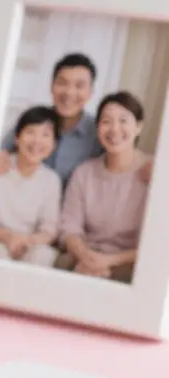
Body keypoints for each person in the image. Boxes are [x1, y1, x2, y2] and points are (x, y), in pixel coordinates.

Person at [57, 91, 149, 284]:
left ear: (138, 127)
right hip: (85, 257)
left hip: (130, 263)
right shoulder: (84, 172)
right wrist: (86, 256)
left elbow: (158, 243)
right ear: (98, 128)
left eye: (123, 121)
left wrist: (108, 262)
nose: (115, 129)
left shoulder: (154, 174)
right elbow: (69, 226)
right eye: (106, 121)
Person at [0, 53, 101, 187]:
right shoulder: (33, 120)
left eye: (79, 86)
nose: (69, 92)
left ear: (90, 92)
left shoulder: (98, 133)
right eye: (62, 83)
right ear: (52, 86)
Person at [0, 106, 61, 267]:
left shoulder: (51, 180)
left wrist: (26, 241)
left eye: (45, 135)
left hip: (29, 244)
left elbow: (49, 230)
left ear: (54, 145)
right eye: (30, 132)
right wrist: (7, 237)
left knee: (44, 255)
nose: (37, 141)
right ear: (17, 138)